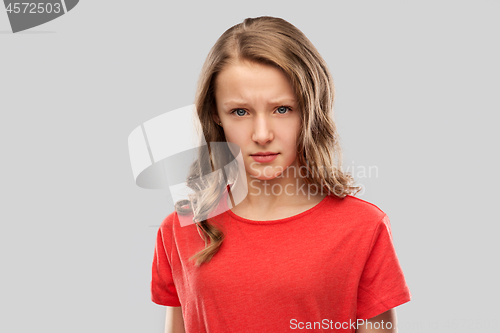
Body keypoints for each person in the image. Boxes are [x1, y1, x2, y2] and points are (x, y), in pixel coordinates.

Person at [151, 16, 411, 333]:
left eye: (282, 109)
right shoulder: (180, 228)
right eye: (240, 111)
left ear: (310, 110)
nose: (262, 134)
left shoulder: (363, 228)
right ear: (216, 116)